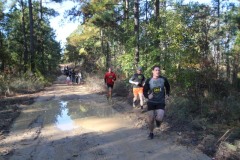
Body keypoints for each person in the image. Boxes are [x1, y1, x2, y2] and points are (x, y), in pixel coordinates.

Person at [143, 65, 170, 139]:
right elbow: (144, 91)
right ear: (153, 71)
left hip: (160, 101)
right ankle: (151, 133)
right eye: (156, 70)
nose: (158, 71)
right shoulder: (149, 80)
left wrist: (167, 94)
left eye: (159, 70)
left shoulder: (163, 79)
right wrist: (148, 96)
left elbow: (168, 87)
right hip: (151, 102)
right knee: (151, 119)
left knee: (160, 118)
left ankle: (158, 122)